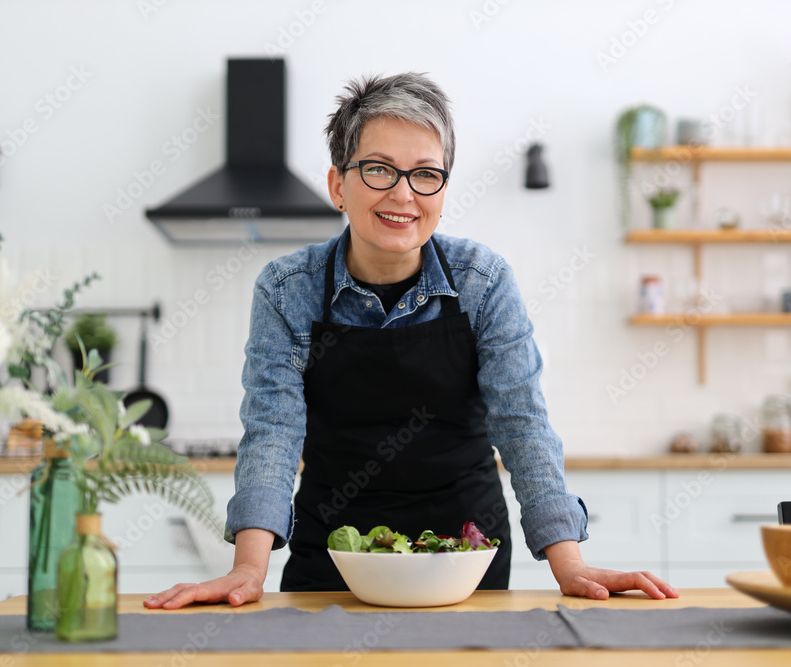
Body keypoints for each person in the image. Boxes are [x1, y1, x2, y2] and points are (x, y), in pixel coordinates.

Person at [145, 72, 677, 610]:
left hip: (463, 559)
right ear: (338, 185)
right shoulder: (288, 290)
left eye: (426, 174)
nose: (403, 194)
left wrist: (572, 566)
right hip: (332, 558)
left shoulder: (482, 282)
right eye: (378, 170)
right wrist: (248, 569)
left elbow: (522, 423)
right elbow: (273, 431)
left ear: (442, 190)